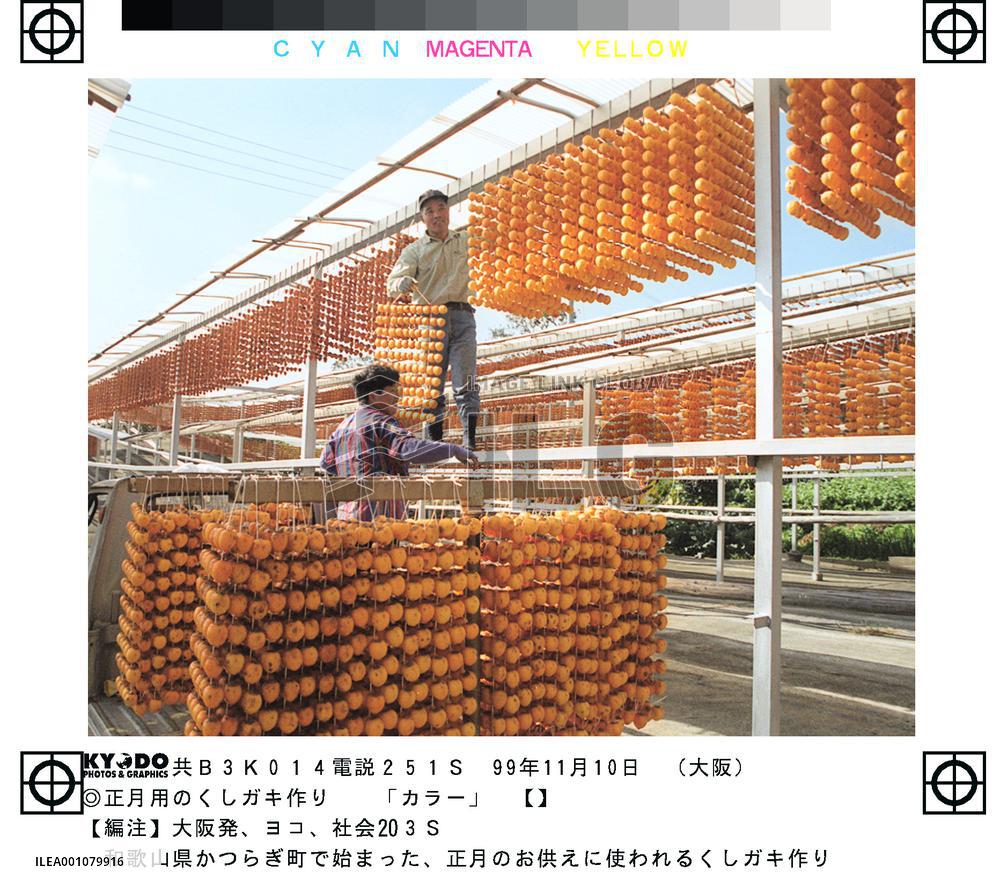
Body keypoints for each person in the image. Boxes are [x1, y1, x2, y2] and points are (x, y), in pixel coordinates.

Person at [319, 365, 478, 521]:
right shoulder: (381, 421)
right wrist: (453, 449)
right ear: (374, 395)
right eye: (393, 391)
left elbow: (326, 463)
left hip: (347, 518)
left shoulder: (340, 429)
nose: (397, 397)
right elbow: (407, 448)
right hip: (379, 519)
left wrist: (356, 473)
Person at [386, 188, 480, 449]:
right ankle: (434, 443)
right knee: (431, 383)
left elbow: (494, 244)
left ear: (449, 212)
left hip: (463, 316)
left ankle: (469, 440)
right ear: (423, 219)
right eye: (430, 211)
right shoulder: (414, 251)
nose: (437, 215)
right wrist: (401, 282)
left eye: (441, 208)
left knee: (468, 380)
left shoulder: (466, 240)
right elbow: (392, 284)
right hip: (430, 319)